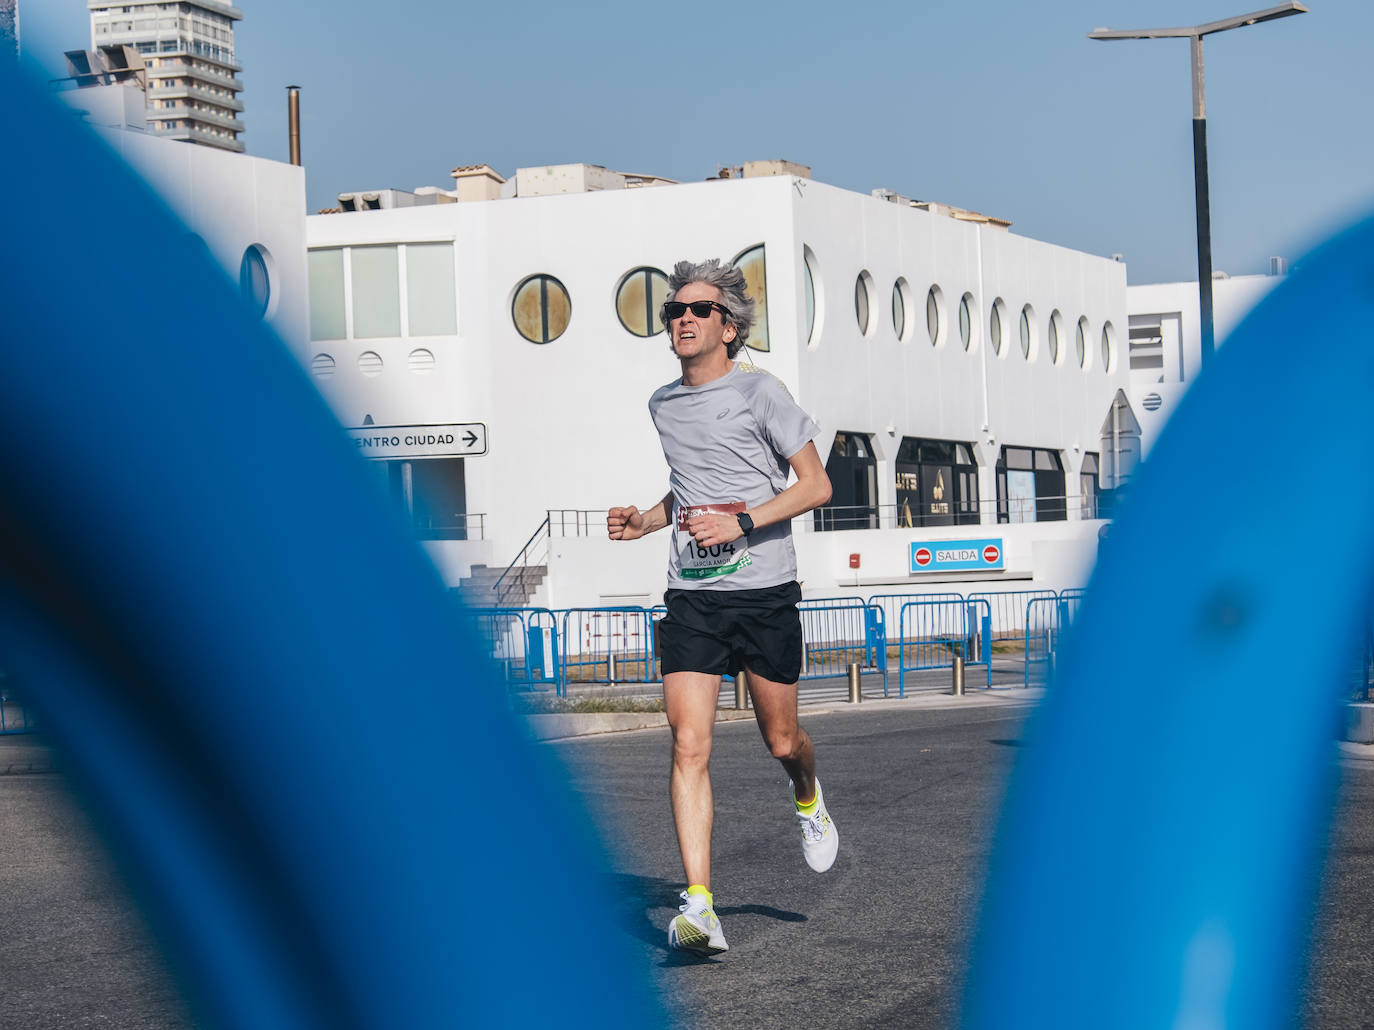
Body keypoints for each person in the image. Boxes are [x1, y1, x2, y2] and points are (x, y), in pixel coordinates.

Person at [607, 258, 838, 957]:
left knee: (781, 741)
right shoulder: (662, 404)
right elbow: (691, 484)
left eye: (698, 309)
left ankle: (808, 794)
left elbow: (817, 485)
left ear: (728, 327)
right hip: (694, 597)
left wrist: (742, 523)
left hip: (763, 591)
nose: (681, 317)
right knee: (688, 743)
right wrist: (649, 521)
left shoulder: (763, 394)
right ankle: (700, 904)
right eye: (673, 309)